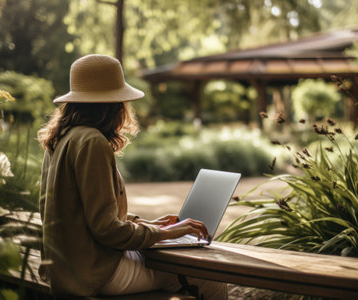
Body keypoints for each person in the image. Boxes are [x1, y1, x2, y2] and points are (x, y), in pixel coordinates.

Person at [37, 54, 227, 299]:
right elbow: (107, 230)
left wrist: (150, 225)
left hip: (67, 269)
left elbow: (83, 215)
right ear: (113, 103)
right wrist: (167, 234)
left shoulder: (60, 138)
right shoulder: (92, 142)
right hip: (97, 272)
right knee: (208, 276)